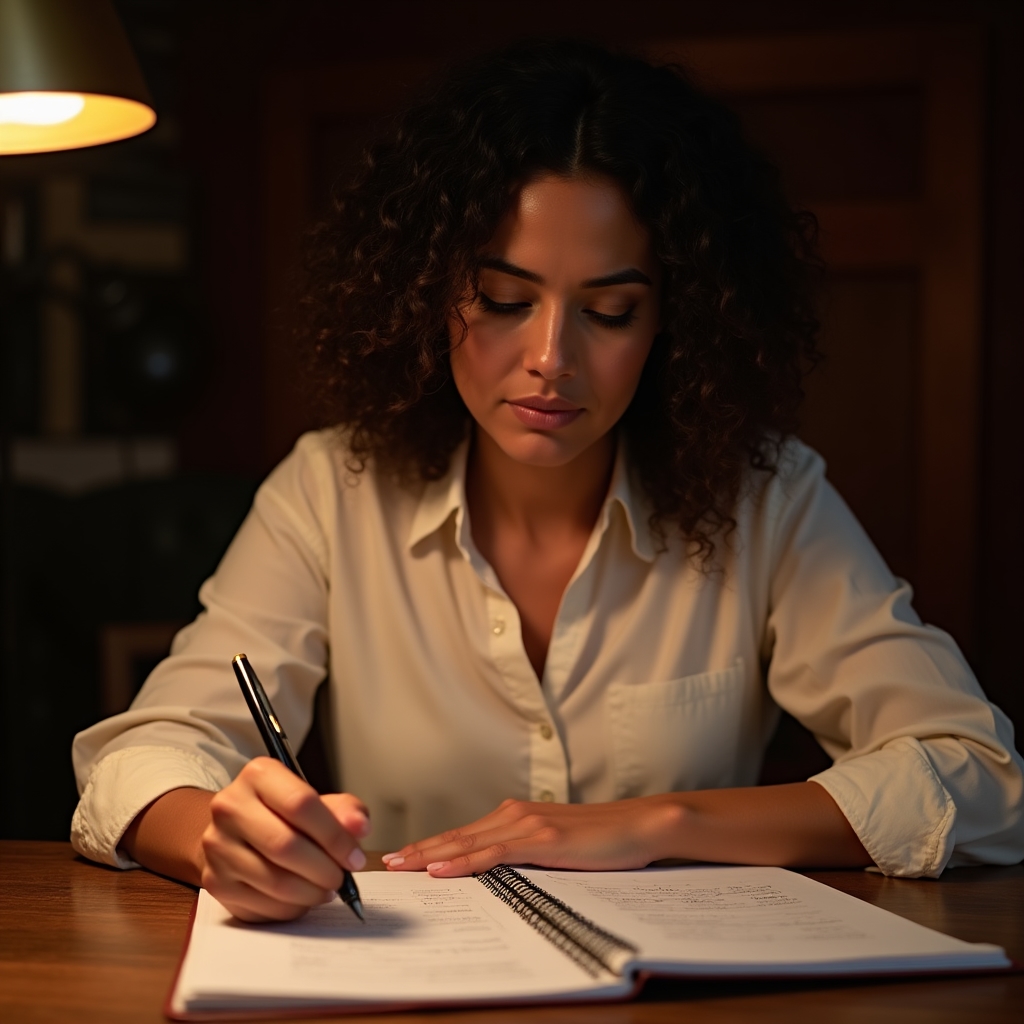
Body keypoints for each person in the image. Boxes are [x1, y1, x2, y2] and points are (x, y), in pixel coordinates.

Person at [71, 39, 1023, 923]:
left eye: (609, 310)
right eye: (503, 300)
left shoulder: (766, 500)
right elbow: (137, 760)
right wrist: (225, 839)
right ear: (429, 291)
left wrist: (655, 825)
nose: (550, 359)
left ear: (673, 325)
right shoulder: (333, 488)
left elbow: (979, 777)